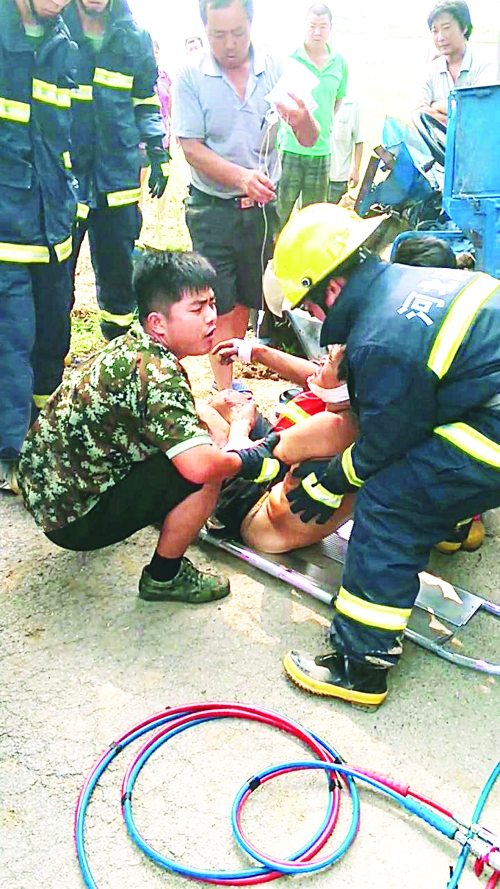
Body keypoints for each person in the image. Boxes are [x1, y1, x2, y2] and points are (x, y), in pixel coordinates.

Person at [263, 202, 500, 707]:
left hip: (493, 425)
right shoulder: (417, 279)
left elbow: (389, 438)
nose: (315, 318)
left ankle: (359, 664)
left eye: (311, 306)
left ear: (332, 288)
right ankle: (453, 522)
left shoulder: (380, 338)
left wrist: (330, 482)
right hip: (484, 401)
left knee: (391, 503)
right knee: (428, 470)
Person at [17, 250, 285, 603]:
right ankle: (164, 576)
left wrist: (211, 411)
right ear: (158, 323)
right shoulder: (158, 374)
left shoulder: (132, 346)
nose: (211, 317)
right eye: (197, 309)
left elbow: (157, 414)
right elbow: (202, 467)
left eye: (211, 303)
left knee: (195, 434)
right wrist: (246, 446)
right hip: (70, 521)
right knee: (204, 469)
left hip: (44, 491)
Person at [172, 0, 319, 392]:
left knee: (246, 297)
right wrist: (241, 178)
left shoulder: (277, 69)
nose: (229, 44)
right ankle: (224, 390)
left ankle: (231, 376)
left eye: (237, 32)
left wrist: (302, 118)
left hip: (262, 211)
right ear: (204, 29)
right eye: (218, 35)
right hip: (212, 209)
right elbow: (191, 147)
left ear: (251, 23)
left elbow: (310, 137)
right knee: (218, 298)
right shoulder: (190, 75)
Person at [0, 0, 76, 494]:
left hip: (52, 220)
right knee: (12, 337)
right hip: (6, 225)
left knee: (53, 332)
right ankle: (10, 452)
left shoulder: (61, 42)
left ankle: (41, 436)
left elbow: (65, 133)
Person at [63, 0, 170, 341]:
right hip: (65, 177)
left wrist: (157, 149)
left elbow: (145, 100)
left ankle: (118, 348)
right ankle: (52, 357)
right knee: (55, 277)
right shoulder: (56, 30)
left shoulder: (135, 38)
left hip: (117, 177)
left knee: (119, 274)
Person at [210, 340, 357, 551]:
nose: (321, 360)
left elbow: (251, 461)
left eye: (329, 360)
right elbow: (325, 376)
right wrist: (256, 352)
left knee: (214, 411)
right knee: (229, 404)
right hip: (280, 508)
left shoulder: (333, 425)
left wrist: (241, 425)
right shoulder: (367, 418)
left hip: (254, 517)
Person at [278, 3, 348, 226]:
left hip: (321, 150)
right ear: (304, 26)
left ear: (330, 28)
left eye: (322, 26)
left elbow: (337, 100)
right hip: (290, 148)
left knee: (313, 221)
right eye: (312, 26)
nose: (317, 32)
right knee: (278, 215)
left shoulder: (340, 62)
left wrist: (321, 124)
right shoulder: (290, 59)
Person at [417, 0, 496, 125]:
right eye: (435, 31)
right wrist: (458, 115)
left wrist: (435, 106)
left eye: (446, 28)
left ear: (464, 28)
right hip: (436, 138)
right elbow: (418, 113)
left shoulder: (485, 67)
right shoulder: (430, 71)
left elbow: (478, 115)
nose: (440, 37)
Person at [328, 97, 363, 205]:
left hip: (338, 178)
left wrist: (356, 170)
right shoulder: (320, 98)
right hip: (315, 175)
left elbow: (359, 141)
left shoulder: (352, 104)